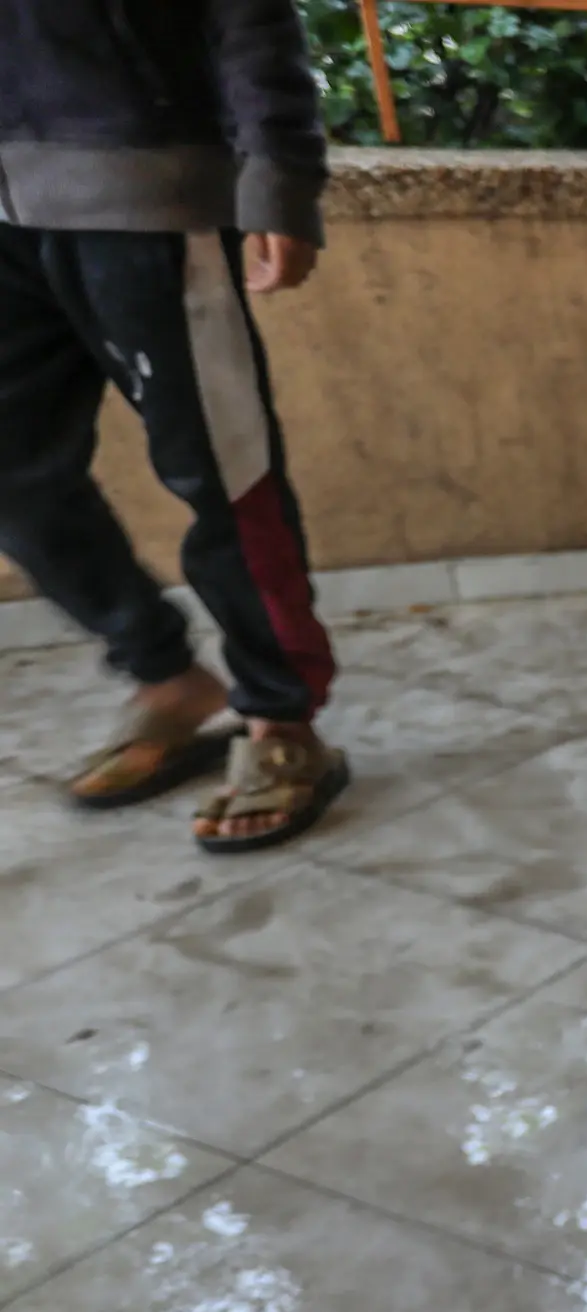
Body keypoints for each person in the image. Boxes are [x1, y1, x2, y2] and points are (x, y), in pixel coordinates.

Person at [0, 0, 348, 852]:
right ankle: (164, 675)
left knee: (224, 473)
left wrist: (278, 172)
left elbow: (247, 14)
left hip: (145, 195)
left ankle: (280, 718)